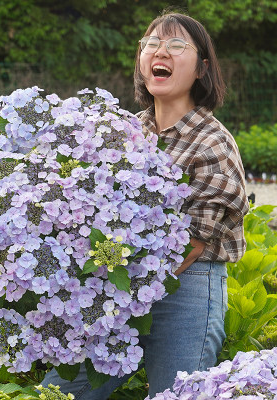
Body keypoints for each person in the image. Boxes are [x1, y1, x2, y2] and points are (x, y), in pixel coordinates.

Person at [40, 11, 249, 399]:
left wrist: (120, 292)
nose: (161, 52)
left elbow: (195, 241)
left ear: (202, 68)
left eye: (176, 45)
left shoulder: (212, 143)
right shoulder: (125, 133)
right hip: (118, 285)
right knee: (61, 392)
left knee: (177, 394)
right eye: (152, 44)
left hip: (186, 287)